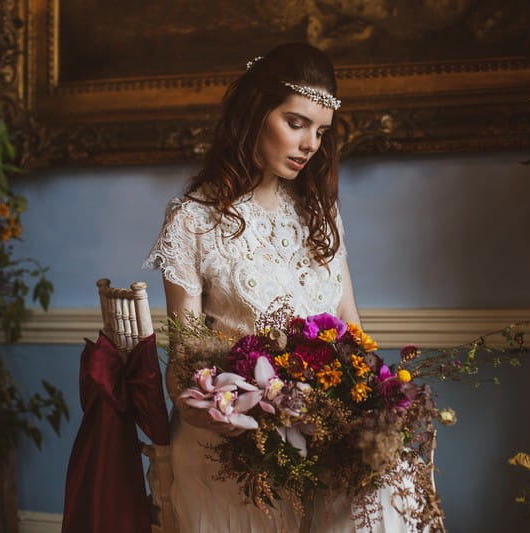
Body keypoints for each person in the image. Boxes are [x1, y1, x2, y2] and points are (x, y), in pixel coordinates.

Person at [144, 42, 413, 532]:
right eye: (296, 123)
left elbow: (354, 335)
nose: (311, 143)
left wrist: (371, 405)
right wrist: (223, 412)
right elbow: (183, 369)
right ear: (254, 114)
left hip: (320, 433)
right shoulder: (193, 220)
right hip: (232, 447)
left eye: (321, 131)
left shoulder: (320, 215)